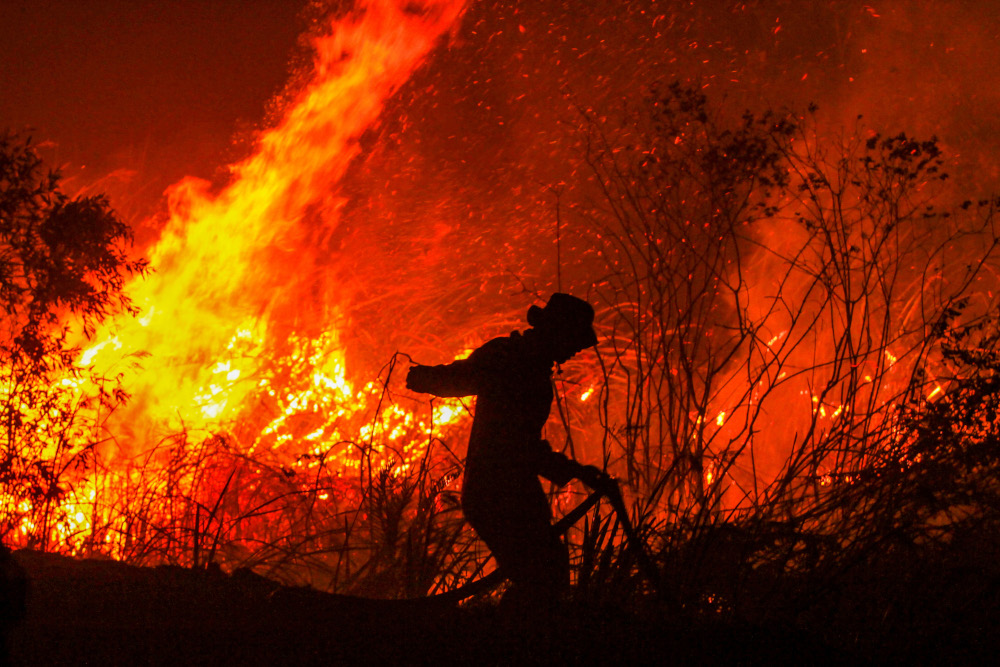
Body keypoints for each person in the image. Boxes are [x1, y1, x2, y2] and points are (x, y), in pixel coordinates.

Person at [405, 293, 605, 610]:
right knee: (543, 578)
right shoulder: (511, 360)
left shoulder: (530, 369)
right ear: (557, 333)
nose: (574, 351)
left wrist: (576, 472)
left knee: (545, 576)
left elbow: (522, 442)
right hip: (497, 493)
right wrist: (427, 377)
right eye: (573, 341)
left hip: (511, 490)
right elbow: (463, 379)